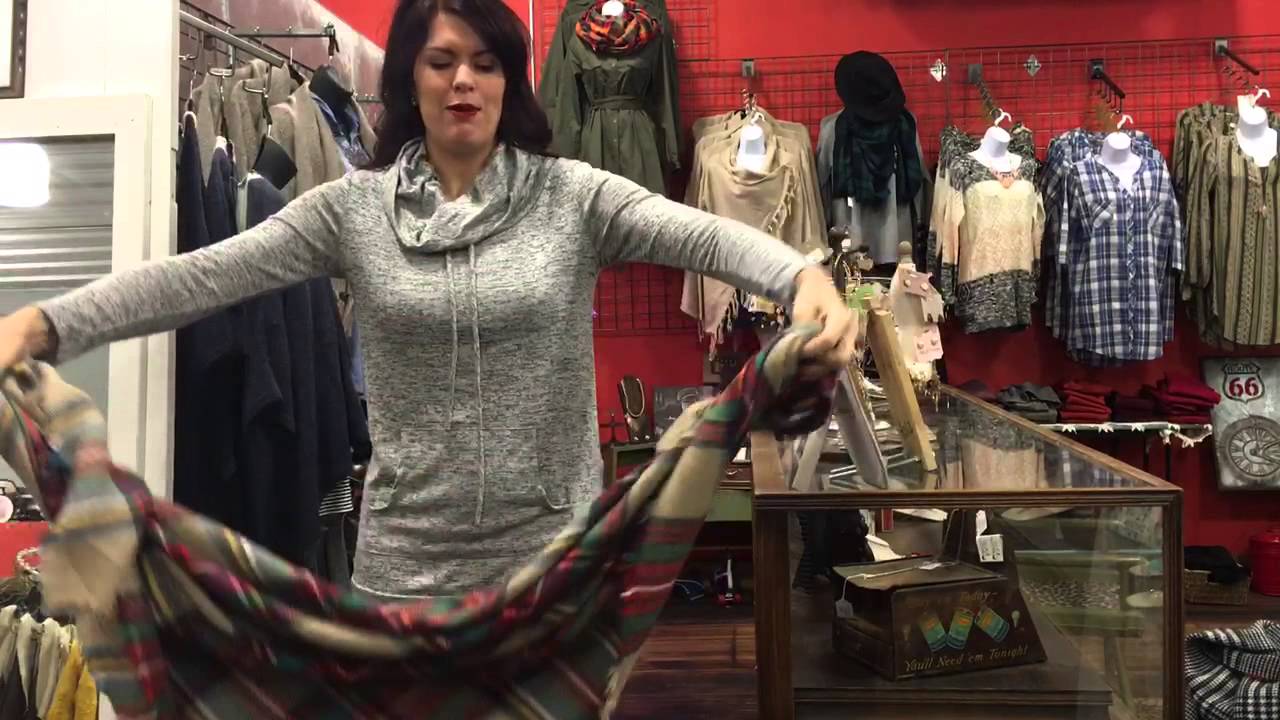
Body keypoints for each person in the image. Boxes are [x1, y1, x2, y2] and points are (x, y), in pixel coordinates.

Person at [0, 0, 855, 600]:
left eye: (484, 63)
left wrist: (803, 278)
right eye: (442, 62)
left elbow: (706, 237)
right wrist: (46, 322)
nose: (463, 82)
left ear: (510, 81)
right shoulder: (352, 211)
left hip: (552, 564)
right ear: (410, 78)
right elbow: (201, 276)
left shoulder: (573, 197)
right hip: (403, 569)